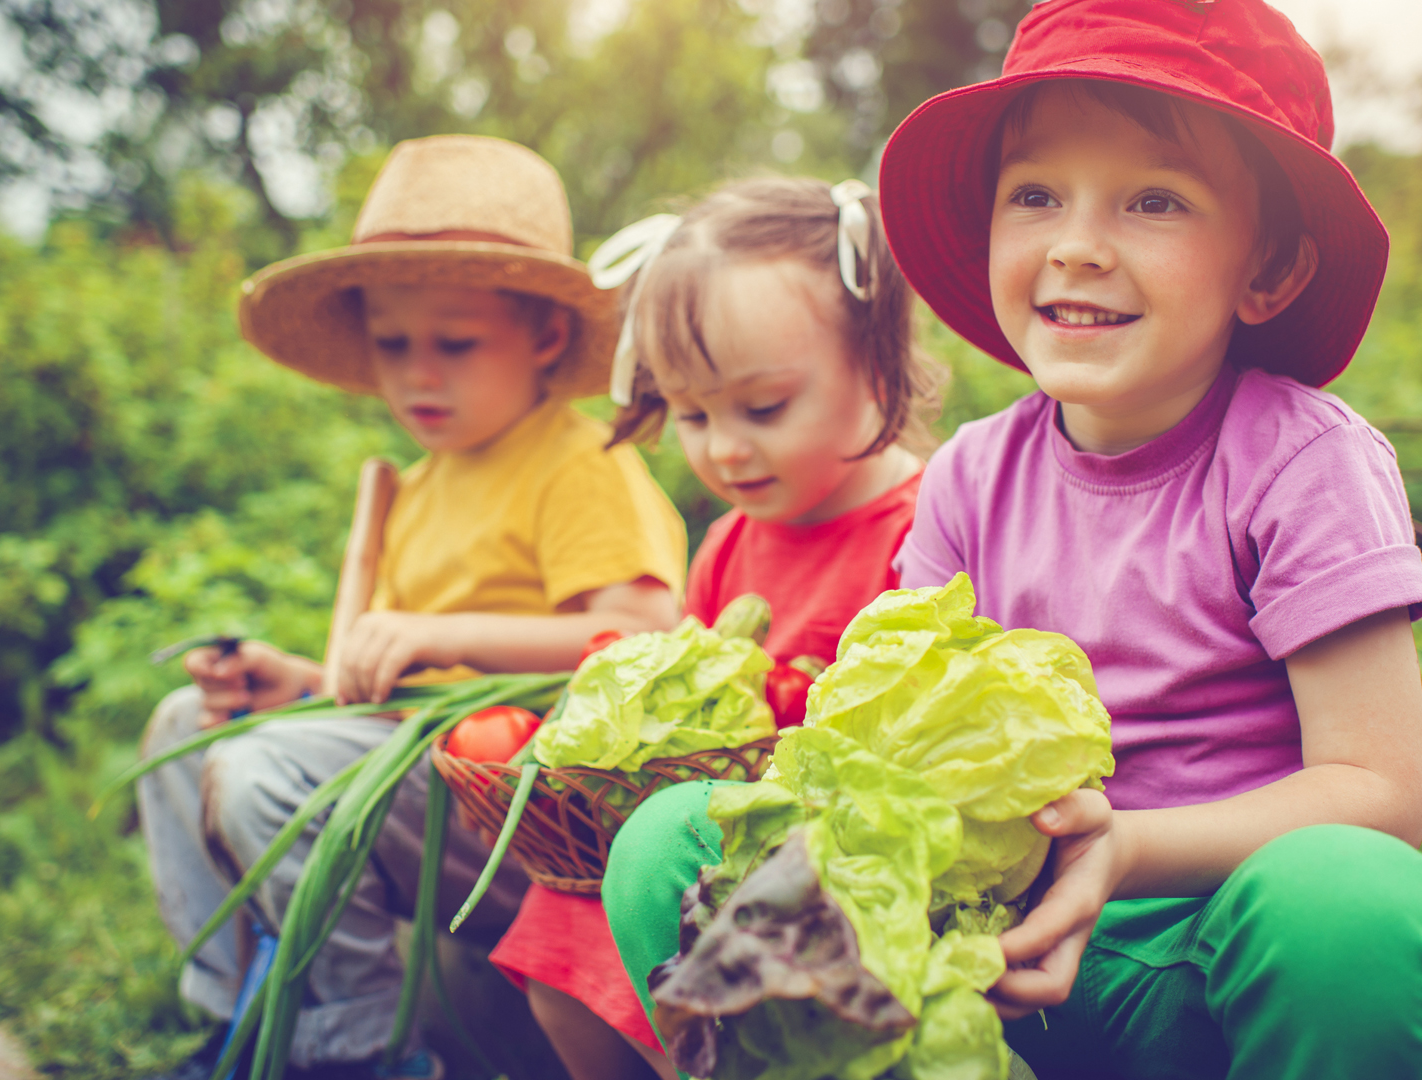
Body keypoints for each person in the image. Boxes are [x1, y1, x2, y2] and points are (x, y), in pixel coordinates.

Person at [604, 2, 1422, 1078]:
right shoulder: (971, 476)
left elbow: (1385, 792)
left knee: (1348, 903)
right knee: (673, 841)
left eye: (1154, 201)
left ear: (1265, 271)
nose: (1078, 246)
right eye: (1035, 195)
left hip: (1207, 956)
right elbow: (888, 738)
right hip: (987, 956)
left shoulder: (1301, 462)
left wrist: (1123, 846)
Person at [139, 135, 688, 1079]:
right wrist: (306, 680)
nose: (417, 374)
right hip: (416, 768)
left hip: (520, 813)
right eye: (393, 344)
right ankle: (237, 1015)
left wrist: (434, 631)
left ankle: (358, 1048)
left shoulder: (577, 461)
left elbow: (645, 633)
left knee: (262, 775)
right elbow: (402, 691)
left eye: (454, 343)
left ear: (545, 338)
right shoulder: (423, 485)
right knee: (184, 725)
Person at [487, 176, 943, 1079]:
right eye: (692, 414)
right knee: (558, 946)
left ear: (878, 364)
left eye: (762, 408)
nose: (724, 447)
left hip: (848, 863)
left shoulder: (924, 527)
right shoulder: (730, 544)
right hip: (696, 844)